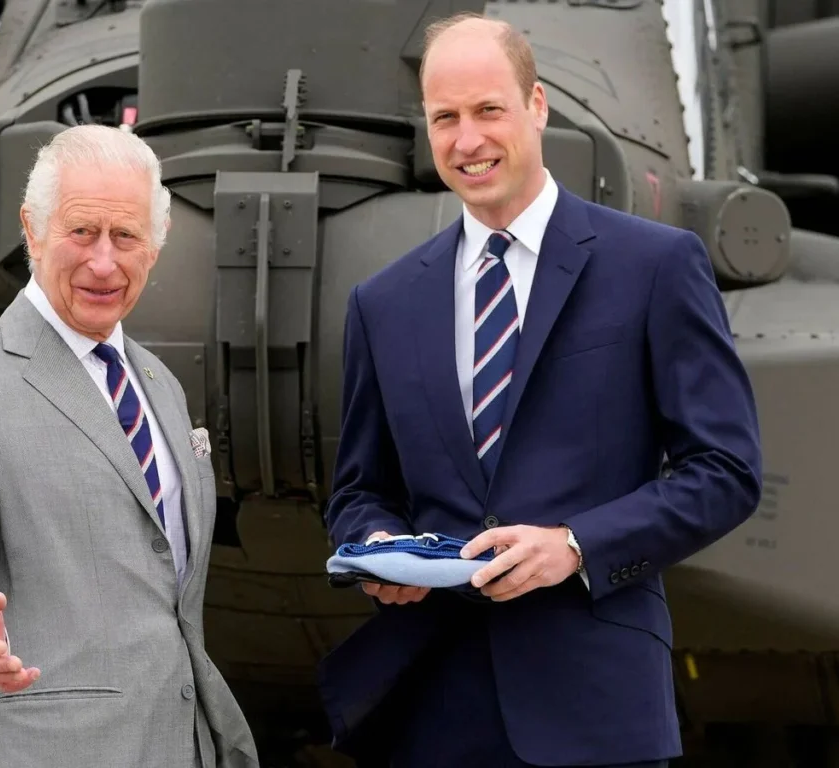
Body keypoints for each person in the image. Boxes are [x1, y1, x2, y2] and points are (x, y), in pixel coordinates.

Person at [317, 13, 761, 768]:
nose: (468, 140)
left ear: (537, 105)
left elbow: (726, 471)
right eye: (445, 118)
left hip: (598, 713)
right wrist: (380, 551)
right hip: (431, 713)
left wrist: (575, 547)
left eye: (488, 110)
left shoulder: (655, 265)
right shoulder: (383, 302)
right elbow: (360, 490)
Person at [0, 124, 259, 768]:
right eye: (82, 231)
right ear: (32, 231)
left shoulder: (159, 385)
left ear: (156, 245)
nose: (104, 263)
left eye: (126, 236)